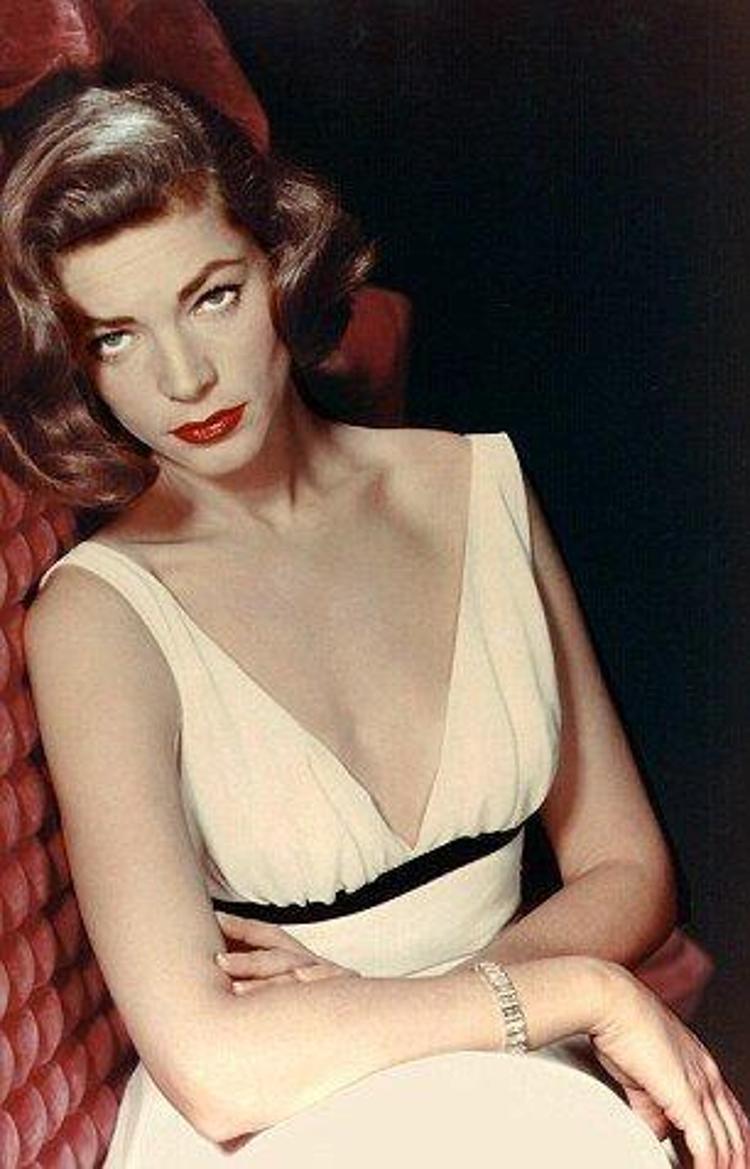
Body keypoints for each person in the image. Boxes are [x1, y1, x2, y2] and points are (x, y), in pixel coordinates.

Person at [0, 80, 745, 1168]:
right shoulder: (99, 614)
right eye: (116, 337)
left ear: (281, 263)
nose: (184, 375)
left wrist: (445, 1004)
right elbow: (213, 1068)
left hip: (506, 1068)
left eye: (213, 296)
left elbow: (630, 865)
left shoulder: (473, 484)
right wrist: (575, 990)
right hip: (280, 1119)